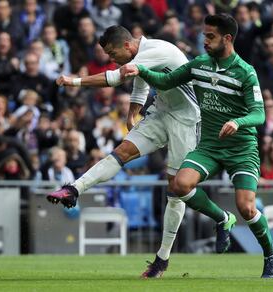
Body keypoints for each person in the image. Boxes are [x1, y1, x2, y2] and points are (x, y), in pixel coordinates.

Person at [120, 13, 273, 278]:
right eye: (203, 35)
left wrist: (238, 122)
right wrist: (142, 71)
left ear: (227, 39)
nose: (204, 40)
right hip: (210, 145)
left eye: (210, 36)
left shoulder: (245, 72)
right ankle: (222, 218)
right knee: (179, 185)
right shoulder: (199, 64)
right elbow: (165, 81)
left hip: (241, 148)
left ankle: (271, 256)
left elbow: (259, 114)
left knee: (247, 208)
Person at [49, 25, 200, 278]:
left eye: (111, 52)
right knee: (122, 152)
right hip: (161, 114)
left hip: (186, 121)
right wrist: (132, 114)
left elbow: (115, 78)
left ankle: (162, 260)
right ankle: (74, 189)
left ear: (127, 46)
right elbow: (141, 85)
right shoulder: (140, 54)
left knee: (176, 190)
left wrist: (73, 80)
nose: (110, 58)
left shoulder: (156, 50)